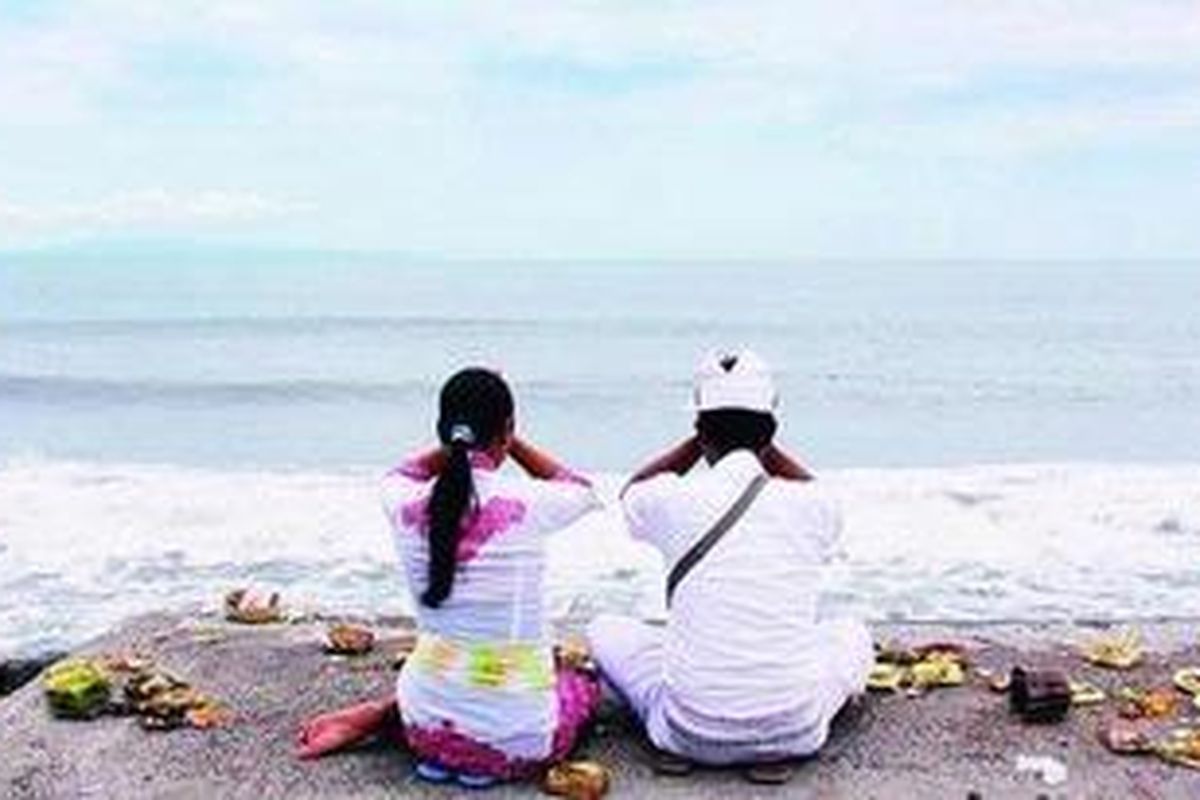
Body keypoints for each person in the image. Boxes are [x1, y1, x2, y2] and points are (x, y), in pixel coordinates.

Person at [296, 368, 603, 788]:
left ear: (443, 431)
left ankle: (385, 717)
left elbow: (403, 471)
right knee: (581, 680)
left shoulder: (403, 500)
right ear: (507, 430)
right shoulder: (528, 502)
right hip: (521, 743)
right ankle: (406, 721)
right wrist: (512, 442)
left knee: (458, 662)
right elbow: (581, 487)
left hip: (424, 731)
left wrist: (457, 444)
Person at [587, 349, 872, 783]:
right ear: (770, 431)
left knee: (603, 630)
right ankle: (769, 751)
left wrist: (698, 441)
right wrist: (762, 448)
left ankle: (684, 749)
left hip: (687, 730)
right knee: (852, 633)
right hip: (795, 728)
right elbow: (825, 500)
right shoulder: (810, 504)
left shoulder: (671, 500)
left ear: (701, 430)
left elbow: (631, 494)